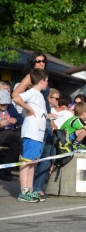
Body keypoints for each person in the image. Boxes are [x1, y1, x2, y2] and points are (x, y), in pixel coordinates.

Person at [12, 69, 49, 203]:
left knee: (32, 162)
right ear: (41, 81)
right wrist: (29, 109)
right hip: (32, 132)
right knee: (27, 161)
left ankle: (30, 189)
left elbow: (40, 113)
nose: (47, 84)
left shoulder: (39, 96)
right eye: (47, 81)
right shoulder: (32, 92)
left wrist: (48, 116)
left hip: (38, 132)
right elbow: (16, 97)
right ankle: (24, 191)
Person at [0, 90, 24, 181]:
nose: (4, 106)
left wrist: (15, 120)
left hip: (10, 134)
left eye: (6, 104)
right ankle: (25, 154)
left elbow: (21, 118)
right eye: (2, 104)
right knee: (16, 136)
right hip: (2, 134)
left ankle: (5, 171)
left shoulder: (10, 107)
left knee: (15, 146)